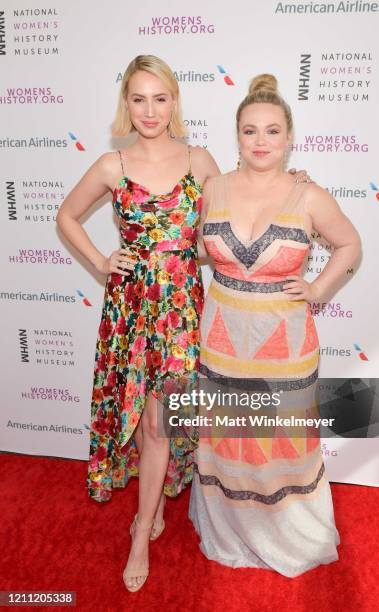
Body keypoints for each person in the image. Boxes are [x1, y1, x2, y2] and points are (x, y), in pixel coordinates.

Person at [56, 56, 308, 592]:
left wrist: (294, 184)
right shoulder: (110, 165)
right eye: (139, 98)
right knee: (147, 421)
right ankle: (147, 517)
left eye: (160, 98)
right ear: (126, 103)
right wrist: (102, 262)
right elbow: (66, 216)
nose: (150, 110)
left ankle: (141, 527)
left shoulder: (200, 161)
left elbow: (245, 199)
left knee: (158, 423)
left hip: (184, 311)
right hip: (130, 309)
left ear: (175, 101)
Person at [189, 74, 361, 577]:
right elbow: (189, 245)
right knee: (227, 441)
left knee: (281, 440)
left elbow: (349, 244)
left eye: (270, 131)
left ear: (288, 138)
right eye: (249, 131)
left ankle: (288, 534)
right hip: (221, 339)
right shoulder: (212, 188)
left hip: (283, 346)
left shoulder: (307, 194)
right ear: (236, 136)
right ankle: (230, 529)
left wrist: (320, 288)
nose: (260, 141)